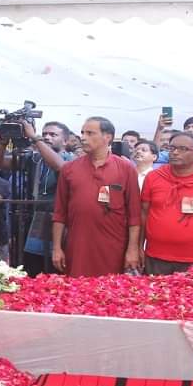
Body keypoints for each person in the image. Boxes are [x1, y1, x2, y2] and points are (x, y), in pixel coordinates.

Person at [52, 117, 141, 276]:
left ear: (108, 137)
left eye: (90, 133)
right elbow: (59, 213)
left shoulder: (126, 169)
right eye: (82, 133)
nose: (83, 138)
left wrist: (132, 249)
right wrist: (57, 248)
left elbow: (135, 215)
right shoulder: (69, 169)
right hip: (78, 245)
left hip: (114, 247)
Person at [0, 120, 74, 276]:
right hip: (33, 221)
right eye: (44, 134)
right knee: (32, 270)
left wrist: (35, 138)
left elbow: (60, 167)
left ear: (65, 141)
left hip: (59, 223)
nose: (47, 137)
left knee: (55, 271)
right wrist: (3, 142)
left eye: (53, 134)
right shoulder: (35, 158)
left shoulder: (71, 159)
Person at [140, 131, 193, 274]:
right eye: (172, 148)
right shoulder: (154, 177)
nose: (175, 152)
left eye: (183, 149)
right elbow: (143, 214)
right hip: (157, 256)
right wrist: (138, 247)